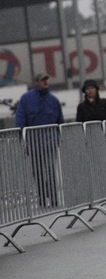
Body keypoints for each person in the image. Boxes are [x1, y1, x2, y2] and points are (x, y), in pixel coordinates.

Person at [15, 72, 64, 207]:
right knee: (38, 172)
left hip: (50, 142)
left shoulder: (53, 100)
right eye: (43, 80)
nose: (45, 82)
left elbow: (60, 120)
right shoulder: (26, 99)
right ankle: (42, 197)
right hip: (34, 143)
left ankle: (53, 198)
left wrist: (60, 137)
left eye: (46, 80)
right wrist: (22, 137)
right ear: (36, 82)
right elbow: (20, 118)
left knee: (50, 171)